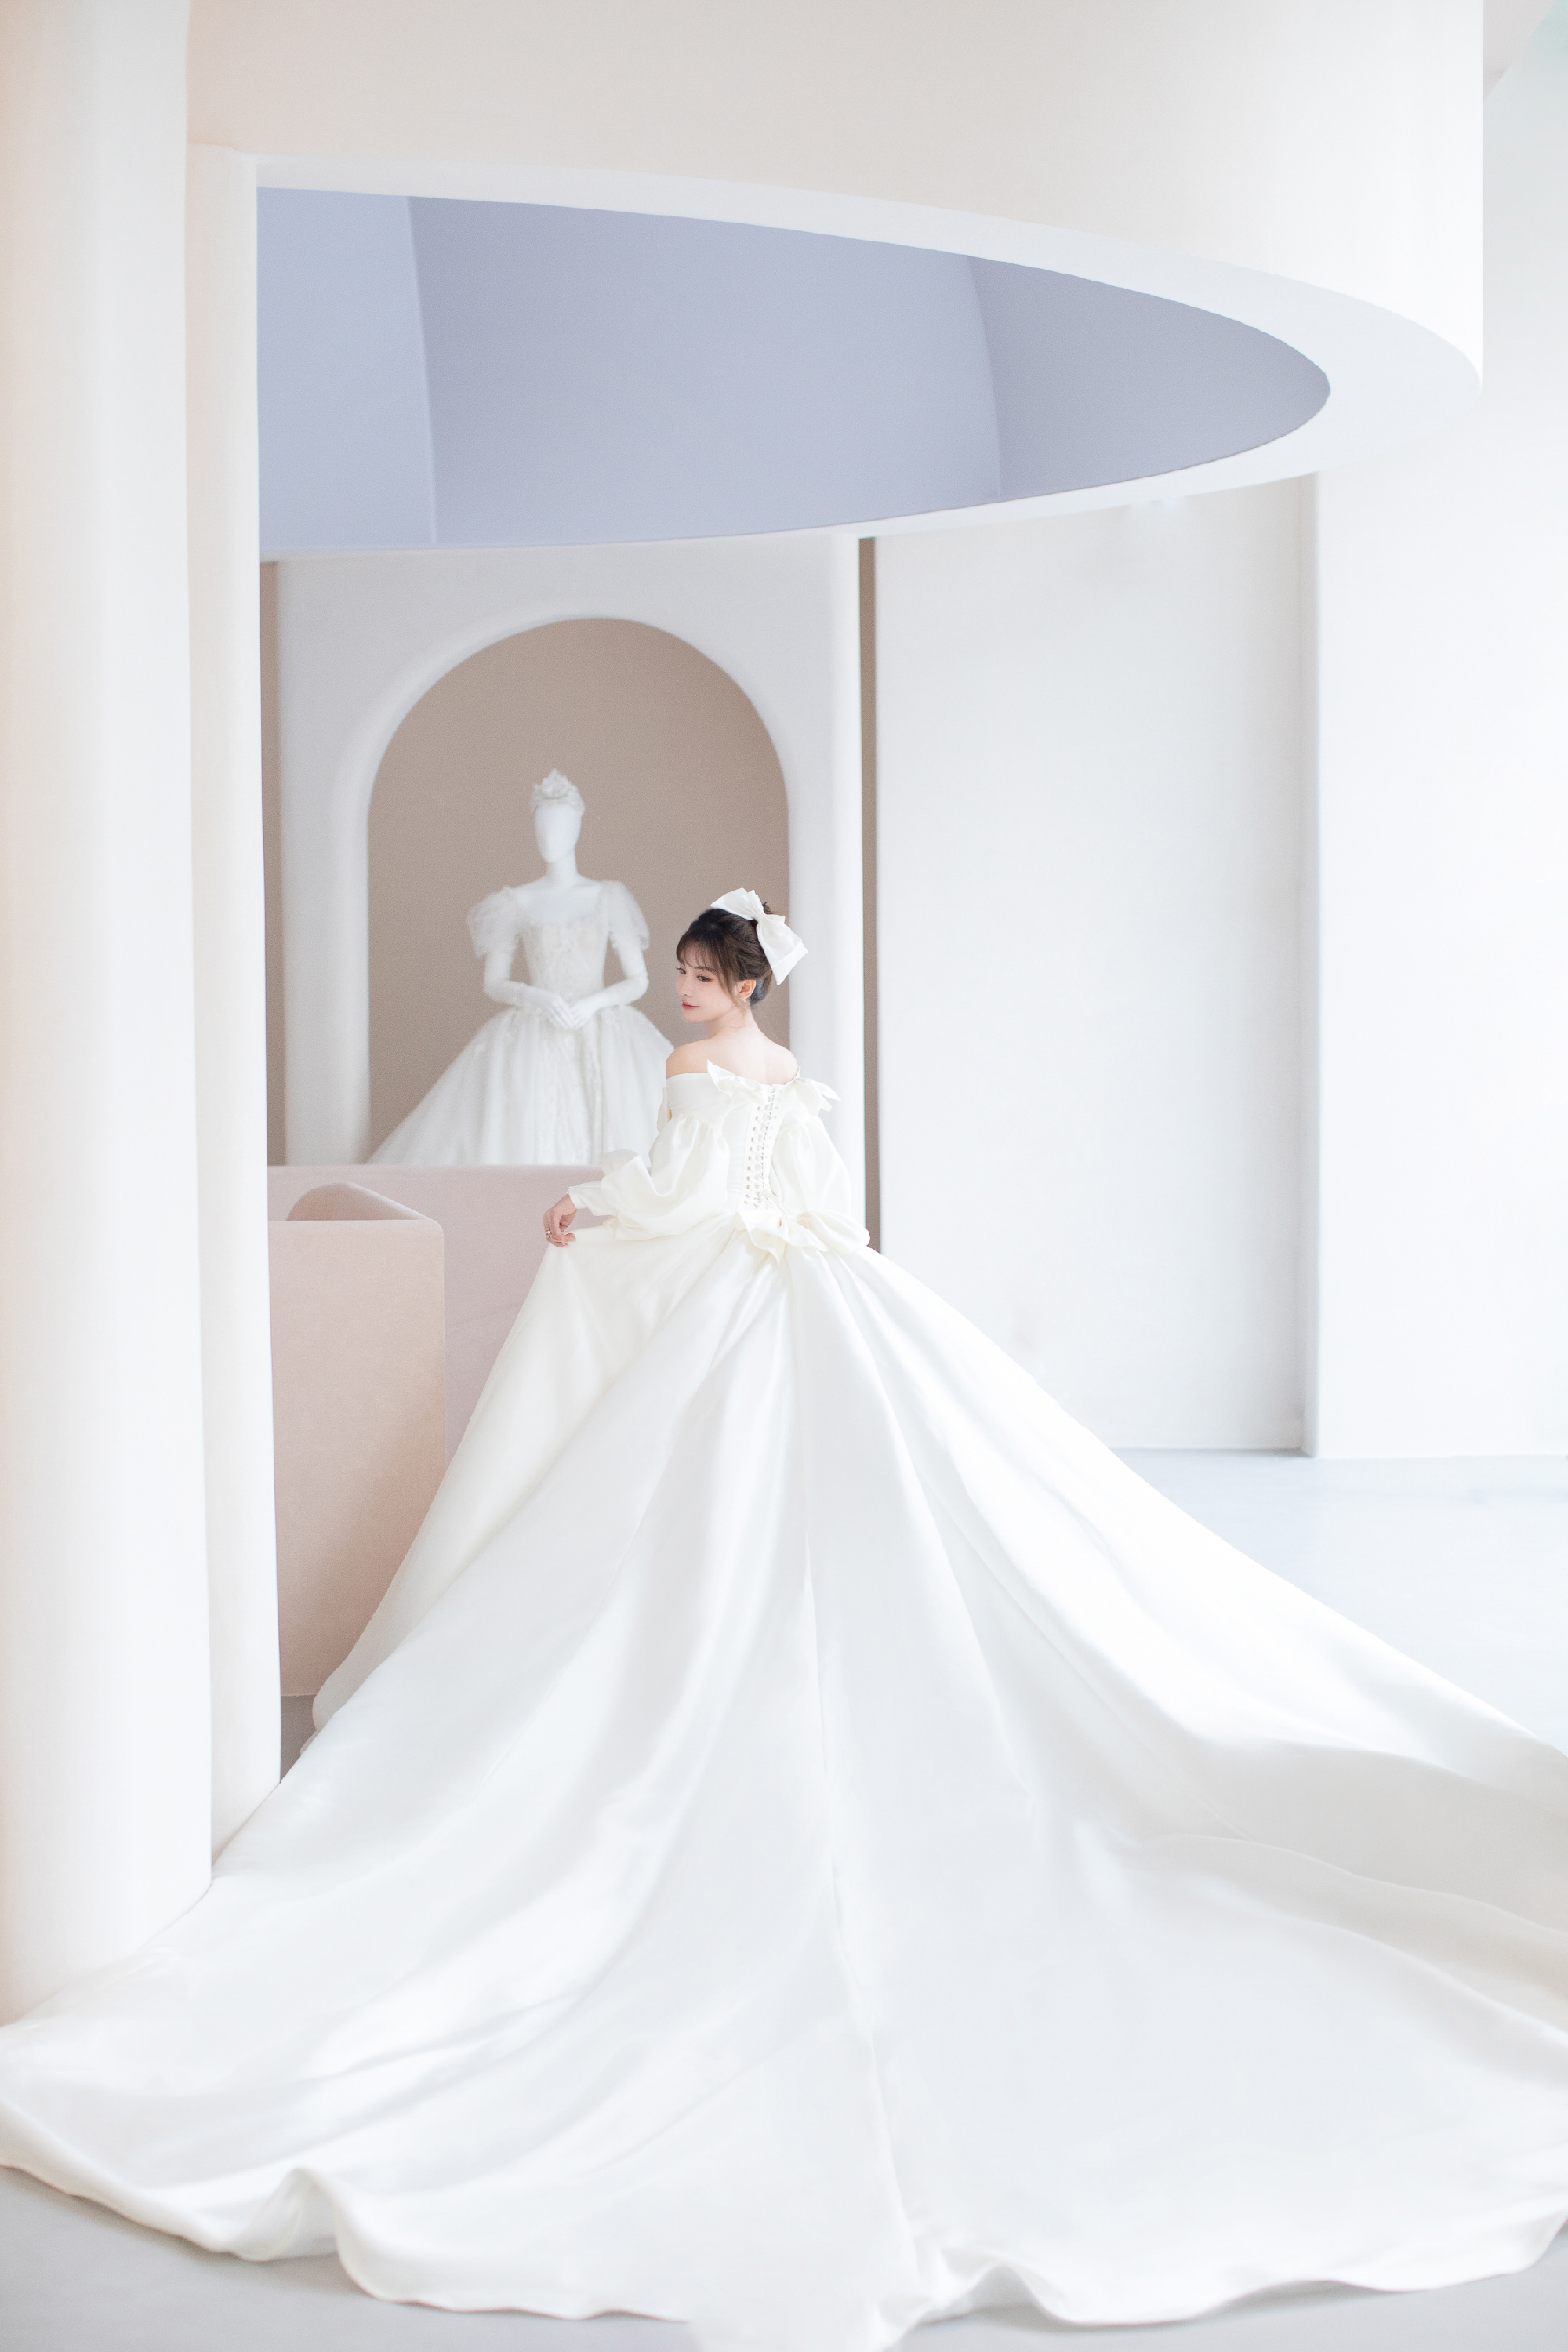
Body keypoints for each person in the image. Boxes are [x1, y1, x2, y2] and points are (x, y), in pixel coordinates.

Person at [1, 891, 1566, 2352]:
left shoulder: (697, 1078)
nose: (683, 996)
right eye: (684, 978)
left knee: (695, 1518)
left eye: (699, 977)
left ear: (735, 983)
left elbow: (678, 1193)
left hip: (743, 1310)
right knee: (824, 1513)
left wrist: (586, 1210)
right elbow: (822, 1205)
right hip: (816, 1294)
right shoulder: (791, 1077)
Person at [370, 770, 670, 1166]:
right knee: (508, 1130)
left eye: (559, 827)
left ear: (577, 828)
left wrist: (594, 1003)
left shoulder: (607, 896)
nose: (549, 838)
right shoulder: (515, 902)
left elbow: (638, 980)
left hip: (600, 1026)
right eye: (542, 828)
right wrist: (537, 997)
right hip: (536, 1027)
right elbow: (494, 981)